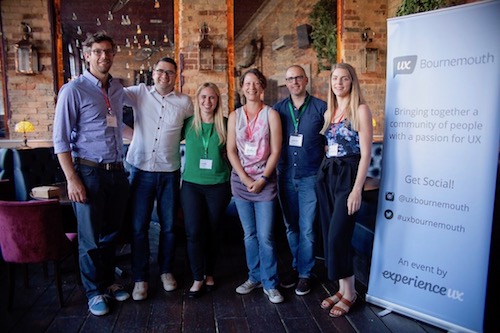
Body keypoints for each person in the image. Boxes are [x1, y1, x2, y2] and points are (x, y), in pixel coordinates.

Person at [53, 32, 131, 316]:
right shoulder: (73, 90)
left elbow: (117, 127)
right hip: (89, 172)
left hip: (116, 172)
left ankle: (108, 283)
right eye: (98, 51)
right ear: (87, 55)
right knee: (90, 239)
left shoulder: (117, 89)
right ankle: (93, 292)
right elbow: (60, 139)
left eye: (109, 51)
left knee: (111, 235)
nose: (104, 56)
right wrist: (72, 178)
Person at [123, 57, 194, 301]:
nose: (165, 76)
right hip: (140, 169)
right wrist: (126, 133)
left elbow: (190, 131)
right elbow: (109, 97)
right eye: (160, 71)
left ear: (176, 76)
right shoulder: (138, 93)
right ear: (153, 74)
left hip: (169, 171)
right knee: (138, 226)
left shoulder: (185, 102)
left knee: (169, 226)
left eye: (170, 73)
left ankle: (166, 271)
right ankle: (140, 277)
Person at [316, 63, 373, 317]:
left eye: (345, 78)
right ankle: (342, 288)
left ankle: (350, 294)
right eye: (335, 78)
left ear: (352, 82)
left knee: (339, 234)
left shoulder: (359, 109)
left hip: (348, 175)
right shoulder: (331, 110)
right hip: (328, 173)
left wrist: (357, 189)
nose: (339, 83)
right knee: (329, 233)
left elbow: (366, 154)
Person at [227, 68, 284, 304]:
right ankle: (254, 276)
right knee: (249, 235)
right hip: (241, 183)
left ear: (262, 87)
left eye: (256, 83)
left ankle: (270, 283)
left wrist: (262, 179)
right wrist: (246, 178)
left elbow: (277, 150)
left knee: (266, 236)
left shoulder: (271, 114)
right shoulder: (234, 116)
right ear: (242, 88)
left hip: (265, 183)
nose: (251, 87)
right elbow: (231, 150)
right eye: (247, 84)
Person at [272, 65, 327, 295]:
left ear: (305, 80)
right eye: (290, 79)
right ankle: (297, 266)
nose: (294, 82)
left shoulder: (321, 108)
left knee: (306, 229)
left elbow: (330, 143)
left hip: (310, 177)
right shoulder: (277, 110)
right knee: (291, 226)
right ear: (286, 83)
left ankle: (305, 273)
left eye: (298, 78)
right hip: (285, 176)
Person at [180, 82, 232, 298]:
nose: (207, 102)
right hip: (191, 185)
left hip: (218, 185)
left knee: (213, 232)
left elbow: (236, 153)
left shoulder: (226, 124)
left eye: (212, 97)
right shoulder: (188, 123)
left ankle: (210, 273)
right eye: (203, 97)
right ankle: (197, 277)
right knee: (193, 233)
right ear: (197, 99)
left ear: (217, 100)